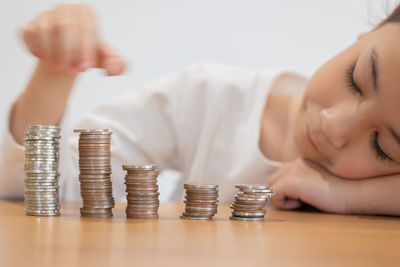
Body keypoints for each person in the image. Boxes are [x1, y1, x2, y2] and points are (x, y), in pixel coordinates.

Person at [1, 3, 400, 216]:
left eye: (383, 146)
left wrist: (351, 198)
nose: (334, 125)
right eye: (357, 78)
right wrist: (54, 73)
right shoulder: (208, 97)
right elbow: (34, 186)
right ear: (365, 34)